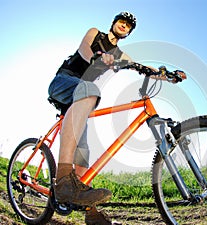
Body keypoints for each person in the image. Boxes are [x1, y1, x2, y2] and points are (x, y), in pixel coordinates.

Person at [48, 12, 137, 225]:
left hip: (80, 98)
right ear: (114, 23)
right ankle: (62, 180)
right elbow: (84, 48)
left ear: (130, 32)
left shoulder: (119, 53)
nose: (124, 26)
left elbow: (138, 65)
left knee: (84, 152)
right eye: (121, 22)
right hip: (64, 81)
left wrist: (163, 74)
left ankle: (88, 208)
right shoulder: (95, 33)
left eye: (128, 26)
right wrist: (96, 57)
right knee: (90, 89)